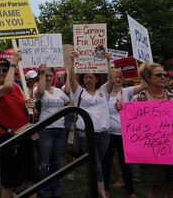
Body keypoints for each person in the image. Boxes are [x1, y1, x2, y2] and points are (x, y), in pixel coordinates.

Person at [117, 62, 172, 198]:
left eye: (165, 74)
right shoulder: (138, 99)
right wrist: (121, 109)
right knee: (156, 189)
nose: (164, 77)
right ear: (148, 78)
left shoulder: (172, 97)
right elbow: (132, 123)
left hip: (171, 149)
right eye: (159, 75)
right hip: (151, 153)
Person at [0, 53, 36, 198]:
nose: (1, 73)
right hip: (9, 138)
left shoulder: (17, 87)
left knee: (31, 179)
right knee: (9, 183)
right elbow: (6, 86)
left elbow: (27, 112)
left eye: (4, 70)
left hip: (25, 135)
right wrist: (13, 63)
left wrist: (31, 106)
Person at [68, 51, 111, 198]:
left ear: (97, 79)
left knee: (97, 165)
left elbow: (111, 81)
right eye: (85, 77)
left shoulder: (103, 91)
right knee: (96, 165)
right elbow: (71, 79)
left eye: (91, 77)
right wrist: (72, 60)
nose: (88, 79)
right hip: (85, 135)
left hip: (104, 135)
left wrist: (108, 62)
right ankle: (103, 194)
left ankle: (94, 189)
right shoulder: (79, 92)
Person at [101, 67, 146, 198]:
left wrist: (143, 68)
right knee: (107, 163)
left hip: (124, 134)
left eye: (120, 77)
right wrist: (108, 63)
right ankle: (106, 189)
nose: (118, 80)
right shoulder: (104, 91)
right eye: (115, 77)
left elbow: (143, 85)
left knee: (126, 164)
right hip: (108, 133)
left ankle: (131, 191)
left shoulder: (126, 91)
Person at [34, 64, 71, 198]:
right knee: (44, 161)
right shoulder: (37, 89)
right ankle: (43, 191)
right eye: (46, 75)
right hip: (45, 129)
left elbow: (69, 103)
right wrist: (42, 74)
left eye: (50, 75)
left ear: (54, 76)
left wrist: (62, 110)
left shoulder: (59, 91)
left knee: (56, 161)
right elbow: (41, 93)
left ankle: (55, 190)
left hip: (59, 129)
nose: (49, 78)